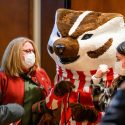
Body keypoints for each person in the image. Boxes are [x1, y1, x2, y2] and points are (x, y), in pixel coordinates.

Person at [0, 37, 52, 125]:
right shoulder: (3, 76)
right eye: (27, 51)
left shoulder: (40, 73)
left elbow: (49, 98)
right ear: (14, 54)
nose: (31, 54)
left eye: (33, 51)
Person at [92, 41, 125, 125]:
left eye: (118, 59)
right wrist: (97, 78)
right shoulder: (120, 80)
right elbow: (103, 105)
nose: (117, 62)